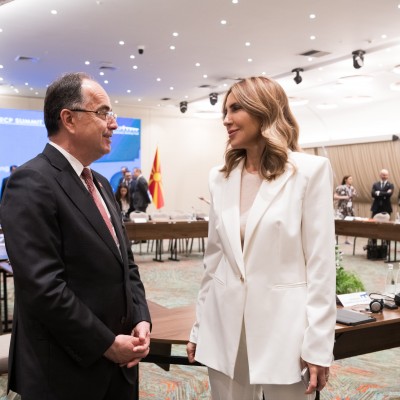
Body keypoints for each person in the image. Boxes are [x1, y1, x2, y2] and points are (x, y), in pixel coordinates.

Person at [0, 72, 151, 400]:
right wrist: (107, 345)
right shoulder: (31, 183)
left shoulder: (99, 181)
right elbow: (44, 288)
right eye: (103, 113)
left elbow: (126, 264)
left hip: (121, 364)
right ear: (68, 119)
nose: (113, 124)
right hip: (66, 372)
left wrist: (140, 317)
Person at [186, 76, 336, 400]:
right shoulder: (220, 177)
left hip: (287, 331)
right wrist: (200, 327)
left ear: (263, 110)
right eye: (224, 111)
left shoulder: (310, 171)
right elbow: (214, 261)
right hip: (224, 326)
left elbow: (322, 267)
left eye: (235, 108)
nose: (226, 119)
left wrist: (319, 344)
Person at [334, 175, 357, 244]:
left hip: (349, 209)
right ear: (345, 180)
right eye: (350, 179)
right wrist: (344, 197)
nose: (351, 180)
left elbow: (354, 196)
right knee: (338, 223)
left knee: (348, 224)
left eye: (352, 179)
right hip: (342, 209)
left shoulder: (352, 188)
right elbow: (334, 196)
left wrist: (354, 194)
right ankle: (334, 239)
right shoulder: (340, 187)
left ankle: (346, 239)